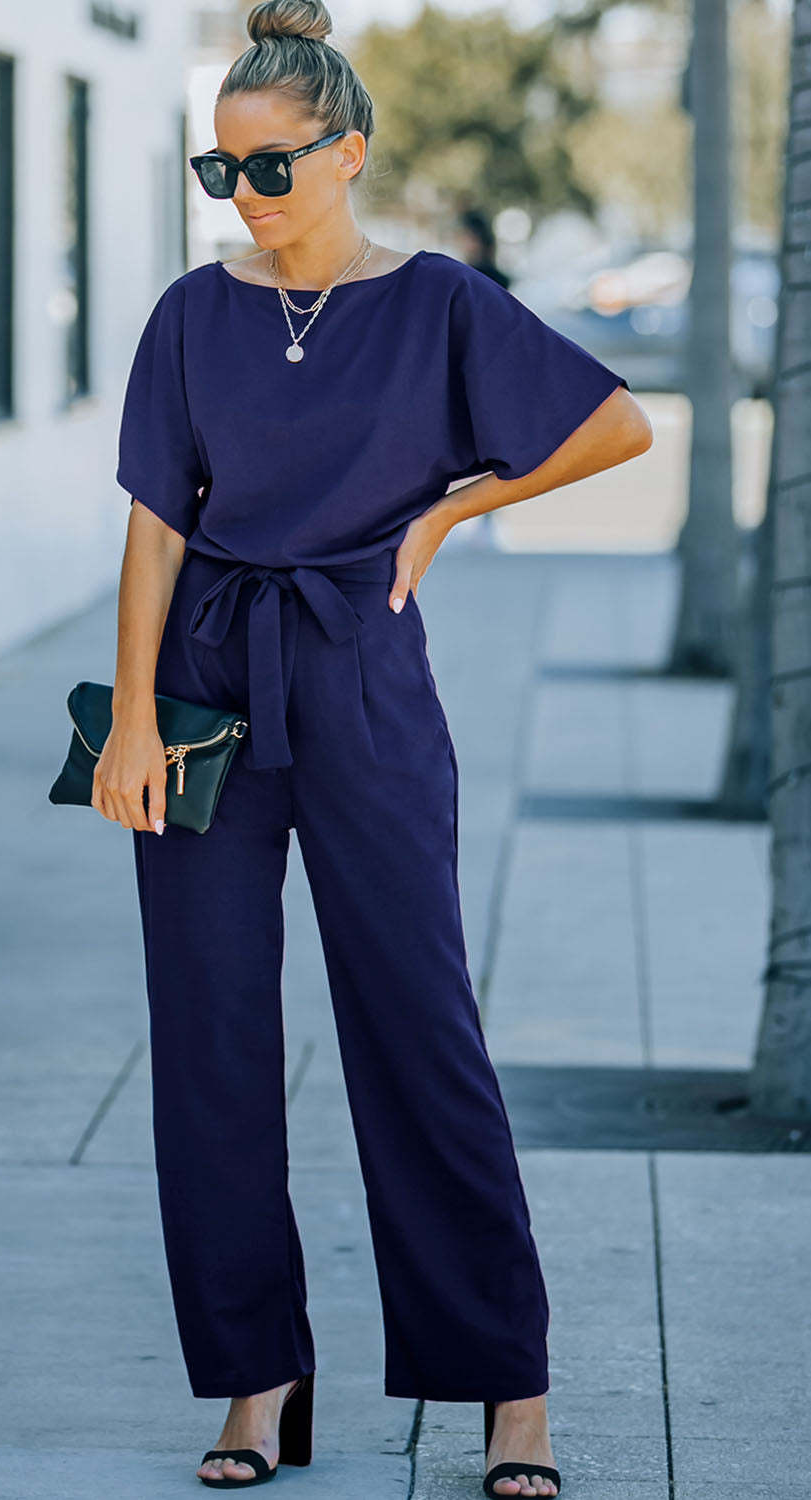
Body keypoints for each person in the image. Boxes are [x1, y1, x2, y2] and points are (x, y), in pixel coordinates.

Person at [95, 2, 652, 1495]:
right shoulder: (191, 315)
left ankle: (507, 1396)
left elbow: (612, 429)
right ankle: (256, 1380)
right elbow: (156, 521)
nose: (243, 201)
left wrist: (447, 507)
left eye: (268, 170)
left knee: (417, 1031)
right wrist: (133, 715)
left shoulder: (440, 304)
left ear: (347, 153)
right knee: (209, 1044)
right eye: (220, 175)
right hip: (209, 685)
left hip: (361, 681)